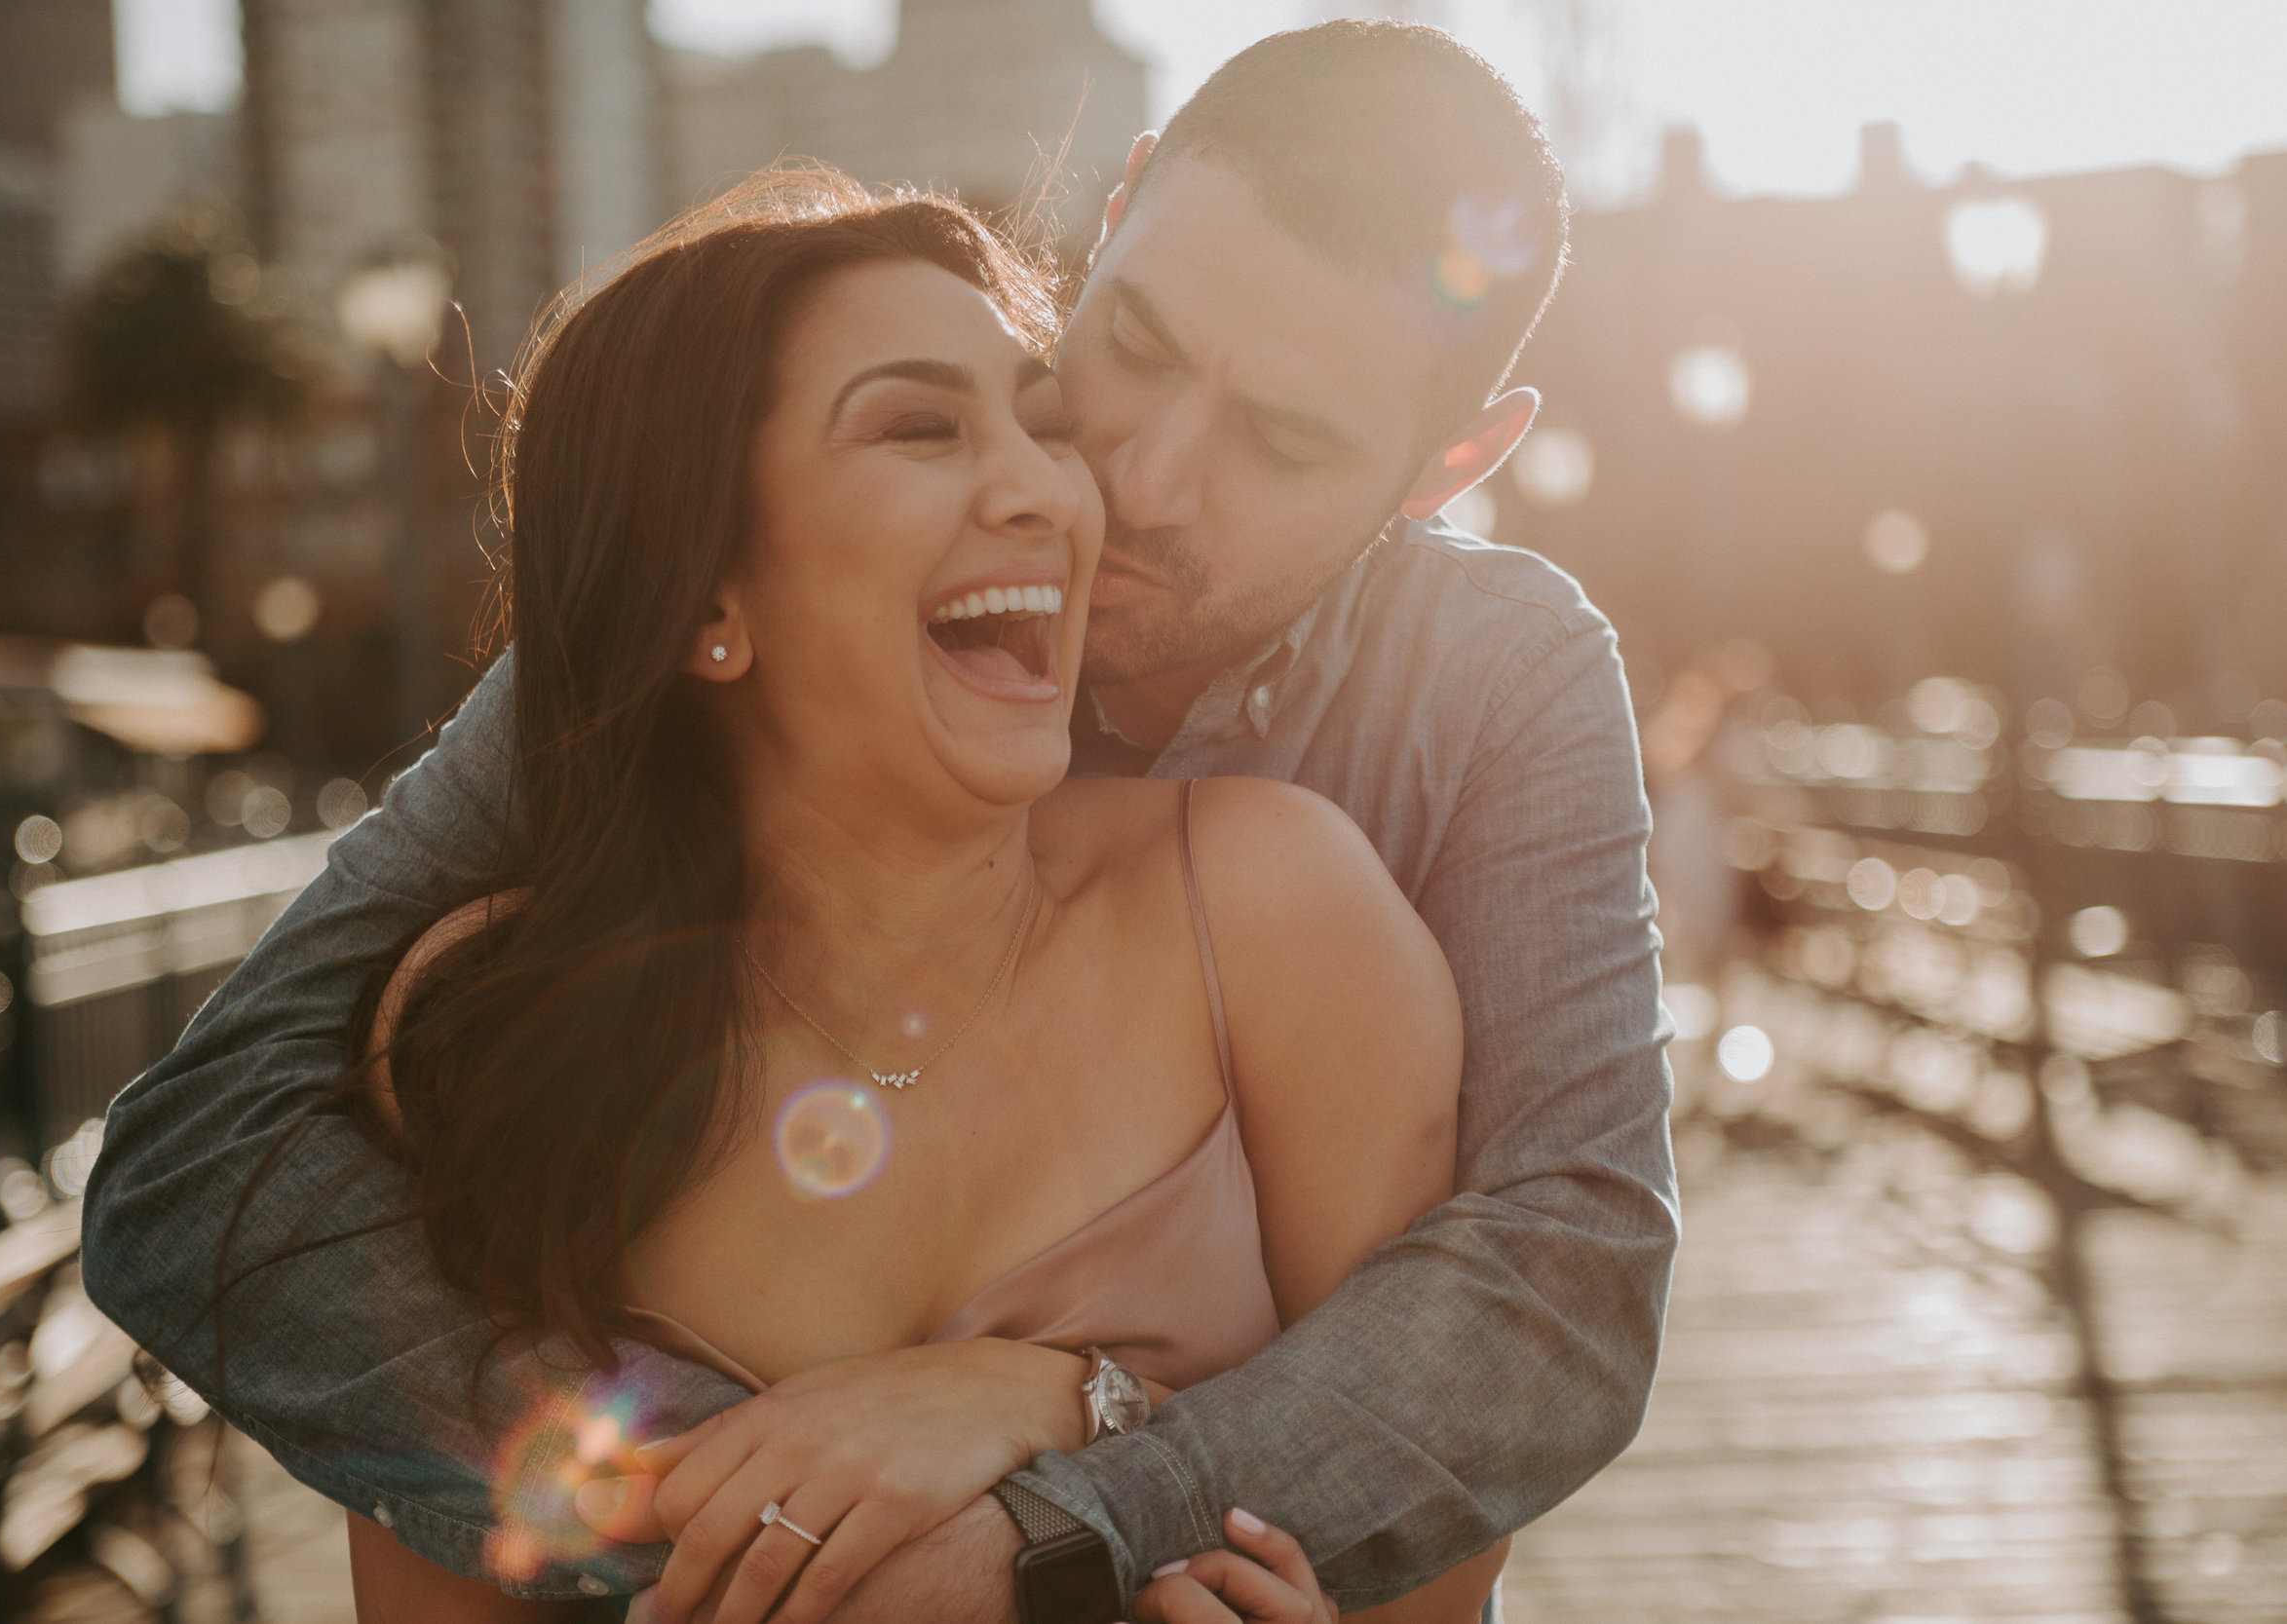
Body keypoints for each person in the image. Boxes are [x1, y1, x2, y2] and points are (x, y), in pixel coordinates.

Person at [83, 20, 1677, 1624]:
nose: (1133, 474)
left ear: (1453, 460)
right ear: (1114, 212)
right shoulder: (708, 613)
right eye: (1132, 340)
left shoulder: (1481, 700)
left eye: (1284, 439)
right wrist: (790, 1524)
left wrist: (1065, 1491)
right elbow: (200, 1159)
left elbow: (1560, 1285)